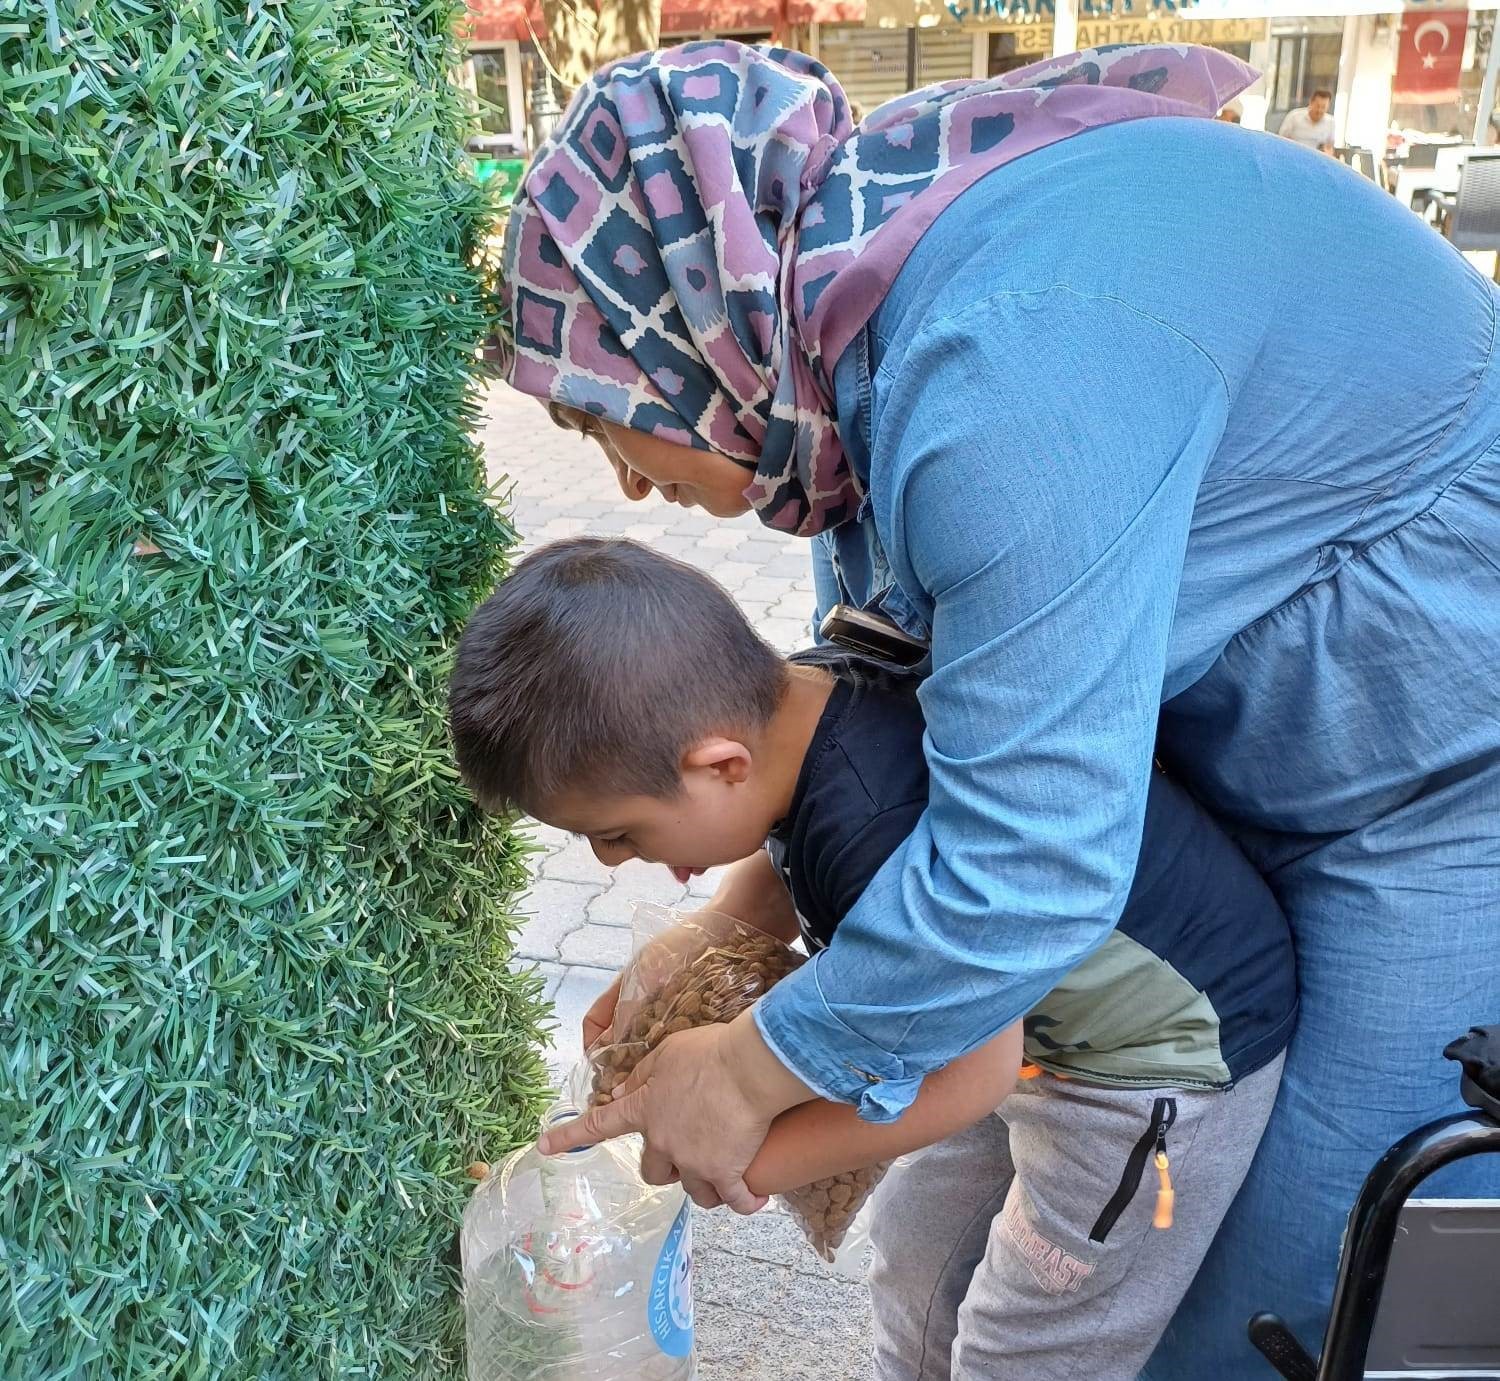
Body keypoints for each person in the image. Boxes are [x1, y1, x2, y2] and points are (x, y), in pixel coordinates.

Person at [495, 40, 1500, 1376]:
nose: (622, 478)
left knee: (1279, 1294)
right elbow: (912, 711)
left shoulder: (991, 366)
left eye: (600, 412)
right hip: (1229, 795)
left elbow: (1026, 864)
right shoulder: (845, 331)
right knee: (976, 1275)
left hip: (1436, 786)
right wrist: (736, 925)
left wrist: (747, 1071)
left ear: (684, 319)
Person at [449, 536, 1295, 1379]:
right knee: (915, 1252)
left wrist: (751, 1156)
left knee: (1028, 1343)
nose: (604, 862)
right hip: (1024, 1031)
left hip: (1152, 1072)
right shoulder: (801, 701)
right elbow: (791, 840)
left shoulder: (867, 826)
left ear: (719, 765)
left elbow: (970, 1073)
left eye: (618, 832)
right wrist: (713, 926)